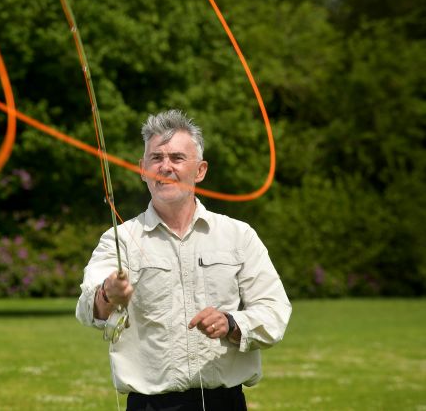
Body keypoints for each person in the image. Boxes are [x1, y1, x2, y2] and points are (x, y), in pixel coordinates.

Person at [76, 109, 291, 410]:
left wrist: (231, 323)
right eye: (156, 158)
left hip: (225, 402)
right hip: (150, 405)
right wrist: (106, 295)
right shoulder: (119, 239)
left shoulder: (239, 235)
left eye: (177, 158)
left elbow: (274, 311)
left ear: (200, 170)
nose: (165, 167)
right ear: (142, 168)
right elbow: (87, 309)